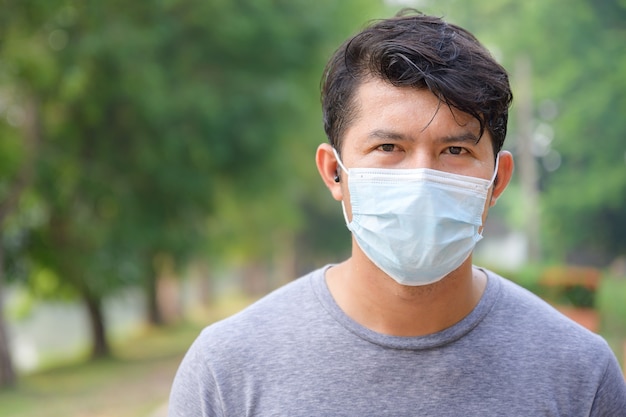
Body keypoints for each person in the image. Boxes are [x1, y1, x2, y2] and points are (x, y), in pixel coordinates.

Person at [169, 10, 626, 416]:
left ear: (497, 183)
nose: (421, 180)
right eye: (388, 147)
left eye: (454, 149)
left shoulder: (580, 374)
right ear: (334, 172)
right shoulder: (227, 370)